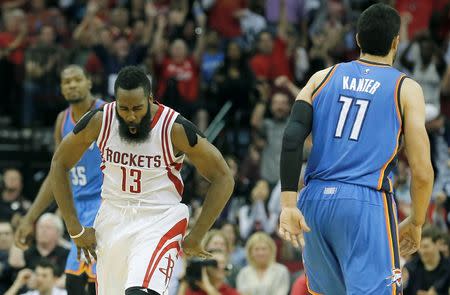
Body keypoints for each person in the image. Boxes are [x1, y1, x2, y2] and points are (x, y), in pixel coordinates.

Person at [278, 3, 434, 294]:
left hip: (313, 202)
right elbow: (423, 172)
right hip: (365, 202)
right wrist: (416, 221)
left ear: (358, 40)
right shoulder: (406, 87)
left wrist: (288, 204)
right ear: (396, 42)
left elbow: (291, 138)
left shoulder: (320, 78)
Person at [48, 66, 234, 295]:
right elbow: (59, 163)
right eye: (124, 108)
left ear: (150, 98)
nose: (131, 115)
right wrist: (74, 229)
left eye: (137, 108)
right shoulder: (101, 120)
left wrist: (198, 234)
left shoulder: (174, 128)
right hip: (112, 219)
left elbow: (223, 177)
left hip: (159, 219)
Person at [15, 64, 105, 295]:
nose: (72, 84)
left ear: (89, 82)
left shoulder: (106, 114)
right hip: (76, 210)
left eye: (77, 79)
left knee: (98, 282)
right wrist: (29, 218)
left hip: (105, 206)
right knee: (73, 282)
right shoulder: (61, 120)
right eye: (67, 82)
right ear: (62, 89)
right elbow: (56, 175)